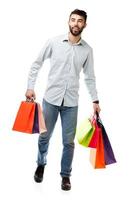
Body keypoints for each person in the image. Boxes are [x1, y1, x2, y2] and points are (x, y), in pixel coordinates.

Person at [25, 9, 101, 191]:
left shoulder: (87, 50)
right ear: (68, 22)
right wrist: (30, 86)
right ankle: (41, 164)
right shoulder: (54, 42)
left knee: (68, 142)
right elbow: (37, 63)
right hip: (50, 100)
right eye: (73, 20)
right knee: (44, 137)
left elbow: (90, 77)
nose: (76, 23)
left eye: (80, 21)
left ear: (84, 24)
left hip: (71, 104)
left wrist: (95, 100)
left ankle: (65, 175)